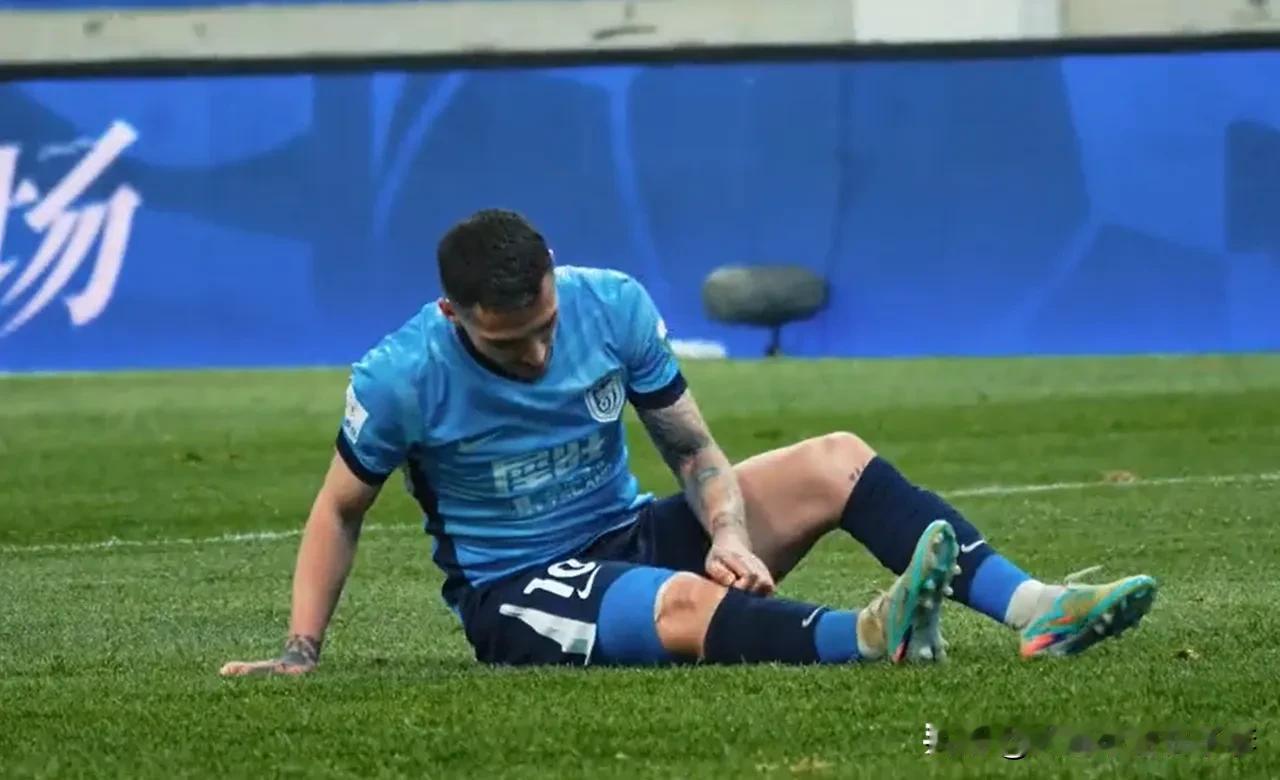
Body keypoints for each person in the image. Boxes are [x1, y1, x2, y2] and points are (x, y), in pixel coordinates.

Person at [220, 209, 1157, 676]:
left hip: (627, 533)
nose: (538, 353)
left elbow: (695, 451)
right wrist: (301, 651)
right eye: (511, 345)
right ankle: (870, 639)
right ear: (452, 314)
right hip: (518, 588)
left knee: (835, 457)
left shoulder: (611, 306)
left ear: (555, 280)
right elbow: (339, 509)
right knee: (677, 603)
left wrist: (730, 533)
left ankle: (1036, 607)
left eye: (545, 326)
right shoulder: (399, 377)